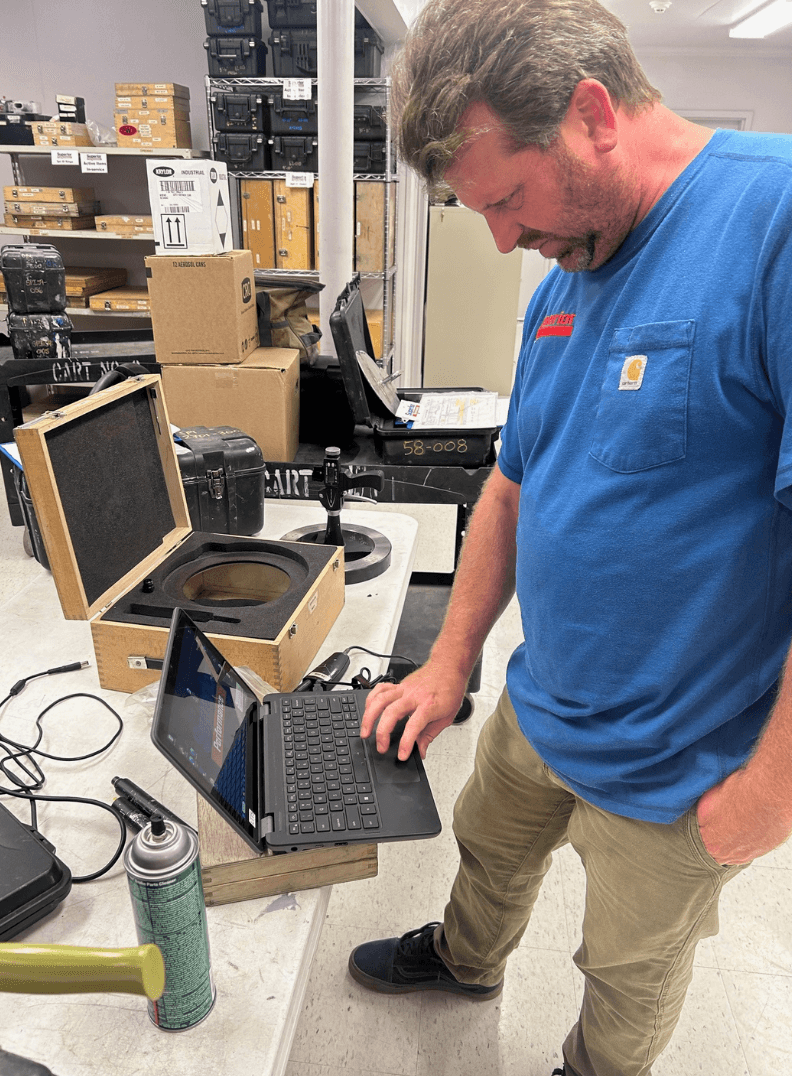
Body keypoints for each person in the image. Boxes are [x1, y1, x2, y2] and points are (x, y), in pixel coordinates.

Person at [346, 1, 792, 1074]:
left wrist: (773, 789)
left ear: (592, 113)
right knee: (487, 848)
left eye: (507, 199)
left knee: (627, 967)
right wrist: (452, 659)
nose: (503, 238)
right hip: (543, 700)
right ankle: (465, 955)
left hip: (682, 760)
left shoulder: (772, 216)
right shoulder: (566, 280)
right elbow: (509, 483)